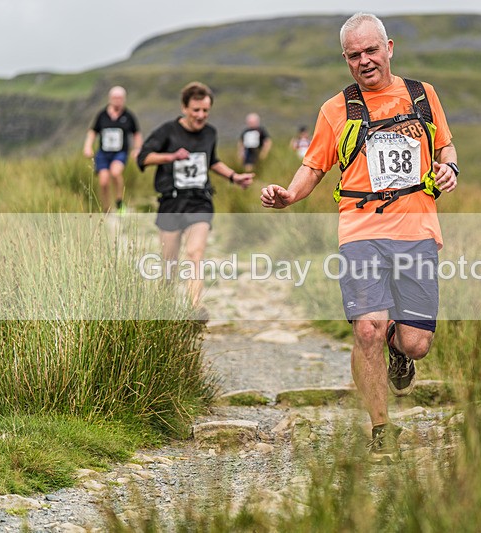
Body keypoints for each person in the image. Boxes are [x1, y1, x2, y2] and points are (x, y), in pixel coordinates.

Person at [261, 13, 458, 463]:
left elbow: (445, 146)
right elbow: (314, 165)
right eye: (354, 56)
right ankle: (381, 429)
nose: (365, 61)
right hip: (361, 230)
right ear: (346, 60)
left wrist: (450, 167)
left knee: (416, 342)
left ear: (389, 47)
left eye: (371, 51)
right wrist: (289, 195)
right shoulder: (336, 109)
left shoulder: (423, 96)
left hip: (417, 230)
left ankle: (399, 353)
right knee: (368, 328)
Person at [138, 82, 253, 311]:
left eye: (205, 111)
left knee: (195, 253)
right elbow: (143, 158)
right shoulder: (167, 131)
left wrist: (233, 177)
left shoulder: (210, 133)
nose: (201, 116)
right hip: (171, 202)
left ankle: (194, 310)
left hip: (200, 201)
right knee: (169, 266)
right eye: (196, 110)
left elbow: (212, 161)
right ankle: (165, 310)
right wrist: (171, 157)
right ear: (184, 108)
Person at [83, 86, 143, 213]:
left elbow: (136, 133)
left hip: (120, 152)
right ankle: (106, 208)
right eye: (115, 98)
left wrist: (137, 149)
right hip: (103, 153)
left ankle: (119, 202)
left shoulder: (128, 116)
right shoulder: (102, 115)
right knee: (103, 181)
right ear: (110, 99)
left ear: (124, 99)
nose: (117, 100)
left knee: (116, 173)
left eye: (120, 98)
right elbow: (93, 131)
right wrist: (88, 146)